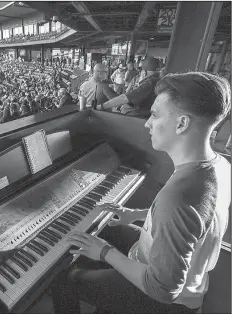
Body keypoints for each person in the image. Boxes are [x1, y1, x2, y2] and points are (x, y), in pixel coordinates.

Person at [52, 72, 231, 314]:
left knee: (66, 281)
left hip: (166, 300)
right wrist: (135, 214)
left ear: (181, 124)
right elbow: (195, 220)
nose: (147, 122)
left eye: (155, 114)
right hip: (172, 268)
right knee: (103, 227)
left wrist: (104, 252)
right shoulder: (219, 165)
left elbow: (164, 289)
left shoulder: (179, 196)